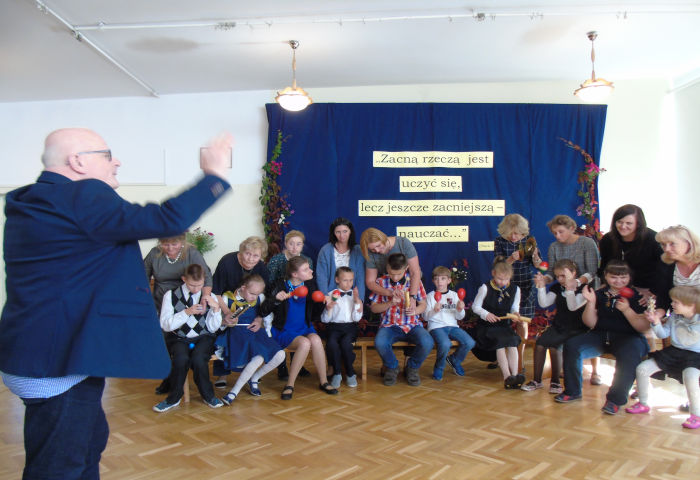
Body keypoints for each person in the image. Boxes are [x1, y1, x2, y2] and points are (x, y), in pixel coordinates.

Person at [0, 128, 231, 478]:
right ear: (78, 162)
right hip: (59, 362)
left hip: (37, 352)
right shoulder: (80, 195)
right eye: (107, 155)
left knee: (90, 443)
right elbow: (166, 220)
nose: (117, 161)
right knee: (60, 467)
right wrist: (214, 176)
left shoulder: (36, 201)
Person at [555, 261, 649, 415]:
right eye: (614, 277)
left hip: (628, 338)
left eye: (623, 277)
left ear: (629, 277)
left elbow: (642, 327)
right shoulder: (599, 294)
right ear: (606, 276)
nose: (618, 281)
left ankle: (615, 400)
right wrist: (591, 303)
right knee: (572, 345)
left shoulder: (638, 297)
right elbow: (591, 323)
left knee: (630, 355)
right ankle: (572, 391)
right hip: (600, 335)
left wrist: (627, 310)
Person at [144, 233, 213, 395]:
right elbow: (142, 277)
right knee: (164, 343)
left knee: (181, 342)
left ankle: (181, 376)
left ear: (182, 242)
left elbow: (207, 276)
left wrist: (205, 298)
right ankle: (169, 378)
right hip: (162, 302)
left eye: (174, 244)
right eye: (165, 244)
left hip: (189, 300)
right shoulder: (154, 254)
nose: (170, 248)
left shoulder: (192, 253)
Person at [261, 256, 338, 399]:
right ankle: (289, 384)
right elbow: (263, 310)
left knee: (316, 340)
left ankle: (323, 381)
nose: (311, 271)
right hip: (284, 330)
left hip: (304, 328)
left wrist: (324, 304)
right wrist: (276, 299)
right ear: (295, 274)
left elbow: (314, 315)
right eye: (306, 269)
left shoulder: (310, 285)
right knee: (304, 343)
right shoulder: (279, 285)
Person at [625, 286, 700, 429]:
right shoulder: (674, 317)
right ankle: (643, 403)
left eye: (676, 302)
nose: (672, 304)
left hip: (696, 356)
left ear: (690, 305)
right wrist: (656, 322)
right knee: (642, 369)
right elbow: (662, 334)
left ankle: (696, 415)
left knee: (690, 376)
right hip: (674, 352)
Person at [154, 264, 223, 412]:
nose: (196, 289)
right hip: (179, 337)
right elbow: (165, 324)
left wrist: (216, 309)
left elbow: (213, 328)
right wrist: (186, 312)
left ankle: (208, 395)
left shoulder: (209, 297)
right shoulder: (170, 295)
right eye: (192, 285)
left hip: (203, 337)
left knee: (199, 359)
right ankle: (174, 398)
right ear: (184, 279)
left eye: (200, 285)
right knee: (180, 359)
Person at [545, 214, 602, 384]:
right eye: (554, 233)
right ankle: (569, 365)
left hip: (587, 291)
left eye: (561, 232)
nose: (557, 236)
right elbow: (552, 272)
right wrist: (544, 280)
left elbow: (593, 271)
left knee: (589, 328)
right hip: (567, 292)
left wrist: (576, 282)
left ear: (571, 228)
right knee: (569, 326)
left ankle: (595, 371)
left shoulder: (587, 243)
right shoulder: (554, 247)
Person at [217, 274, 286, 405]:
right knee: (258, 357)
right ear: (243, 288)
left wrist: (264, 328)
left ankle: (254, 378)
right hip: (237, 334)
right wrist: (225, 321)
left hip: (255, 333)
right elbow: (217, 321)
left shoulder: (260, 298)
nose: (255, 297)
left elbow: (265, 315)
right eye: (252, 293)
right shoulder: (228, 298)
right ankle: (234, 392)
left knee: (280, 355)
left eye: (257, 294)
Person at [211, 236, 270, 387]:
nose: (250, 259)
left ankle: (249, 373)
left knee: (251, 335)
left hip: (250, 306)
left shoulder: (261, 267)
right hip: (225, 303)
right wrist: (226, 313)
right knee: (225, 336)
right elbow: (216, 292)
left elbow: (266, 296)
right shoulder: (227, 262)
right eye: (247, 253)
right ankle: (222, 375)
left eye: (255, 255)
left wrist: (259, 318)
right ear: (241, 251)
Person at [521, 260, 587, 394]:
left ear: (574, 273)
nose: (560, 279)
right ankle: (537, 381)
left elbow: (572, 307)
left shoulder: (584, 289)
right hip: (559, 326)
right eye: (557, 276)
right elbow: (544, 303)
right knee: (540, 344)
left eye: (563, 276)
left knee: (555, 347)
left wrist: (569, 289)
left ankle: (555, 382)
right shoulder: (557, 287)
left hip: (576, 328)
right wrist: (541, 287)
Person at [370, 253, 432, 387]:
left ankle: (412, 368)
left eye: (399, 274)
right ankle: (392, 367)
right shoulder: (380, 283)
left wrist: (415, 311)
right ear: (387, 268)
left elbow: (423, 305)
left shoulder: (415, 282)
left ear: (406, 268)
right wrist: (390, 303)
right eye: (392, 274)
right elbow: (374, 309)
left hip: (412, 325)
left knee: (427, 342)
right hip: (389, 326)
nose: (395, 277)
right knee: (380, 342)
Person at [494, 214, 543, 373]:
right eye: (510, 233)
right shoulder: (500, 241)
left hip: (526, 286)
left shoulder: (529, 240)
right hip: (506, 286)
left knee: (522, 322)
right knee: (504, 322)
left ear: (522, 232)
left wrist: (535, 256)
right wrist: (511, 259)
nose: (514, 237)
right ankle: (501, 357)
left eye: (517, 233)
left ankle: (519, 362)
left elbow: (538, 265)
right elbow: (498, 267)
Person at [471, 257, 524, 389]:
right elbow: (475, 307)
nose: (503, 282)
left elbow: (514, 307)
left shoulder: (515, 289)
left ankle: (515, 375)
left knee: (512, 342)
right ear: (493, 274)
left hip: (504, 326)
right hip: (488, 327)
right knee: (499, 343)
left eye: (506, 279)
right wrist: (486, 314)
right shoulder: (485, 288)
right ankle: (507, 376)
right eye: (500, 279)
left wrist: (515, 314)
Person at [424, 266, 475, 380]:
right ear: (433, 281)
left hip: (452, 326)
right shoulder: (430, 296)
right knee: (445, 344)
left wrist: (460, 309)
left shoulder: (454, 295)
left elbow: (459, 317)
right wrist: (434, 311)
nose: (439, 282)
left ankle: (454, 360)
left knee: (469, 342)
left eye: (443, 278)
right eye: (436, 279)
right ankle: (439, 367)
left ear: (449, 280)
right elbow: (425, 317)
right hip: (436, 327)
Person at [321, 266, 363, 388]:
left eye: (351, 280)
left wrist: (357, 302)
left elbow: (357, 318)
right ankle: (337, 373)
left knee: (345, 344)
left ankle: (350, 372)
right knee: (331, 344)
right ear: (337, 280)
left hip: (350, 327)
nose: (348, 283)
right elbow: (325, 320)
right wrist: (328, 308)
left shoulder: (355, 296)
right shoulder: (330, 295)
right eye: (345, 280)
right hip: (334, 327)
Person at [360, 228, 421, 308]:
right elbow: (370, 282)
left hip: (409, 285)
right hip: (386, 286)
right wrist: (390, 293)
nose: (377, 250)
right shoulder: (370, 254)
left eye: (378, 245)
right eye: (372, 249)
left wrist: (413, 297)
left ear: (383, 238)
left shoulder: (403, 243)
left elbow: (415, 272)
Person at [316, 217, 366, 300]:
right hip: (331, 295)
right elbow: (321, 276)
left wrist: (360, 300)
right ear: (333, 233)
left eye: (345, 231)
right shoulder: (325, 250)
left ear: (350, 231)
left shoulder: (358, 250)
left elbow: (360, 278)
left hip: (352, 296)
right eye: (338, 232)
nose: (342, 235)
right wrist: (325, 297)